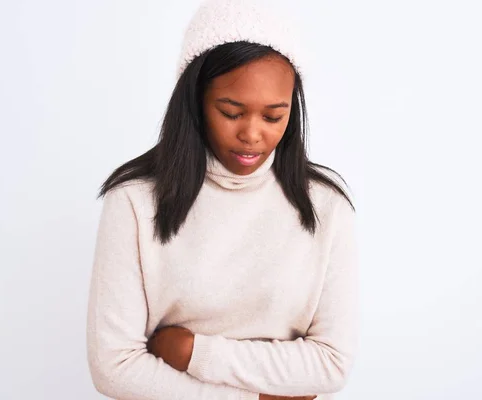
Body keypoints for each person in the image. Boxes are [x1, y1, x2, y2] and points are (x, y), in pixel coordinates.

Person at [86, 0, 360, 399]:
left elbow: (332, 363)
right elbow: (114, 367)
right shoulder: (134, 200)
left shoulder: (326, 207)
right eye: (231, 112)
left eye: (273, 116)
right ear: (196, 100)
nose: (252, 134)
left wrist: (191, 352)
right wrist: (259, 397)